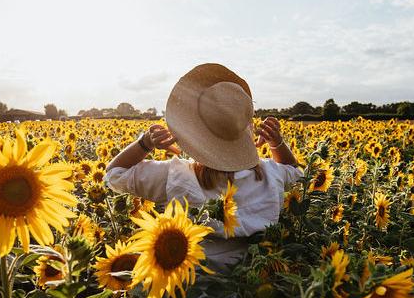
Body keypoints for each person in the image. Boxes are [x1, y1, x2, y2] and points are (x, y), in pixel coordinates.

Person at [105, 63, 303, 273]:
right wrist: (276, 144)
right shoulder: (269, 175)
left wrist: (144, 143)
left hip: (189, 290)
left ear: (195, 130)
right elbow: (296, 172)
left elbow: (113, 175)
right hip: (250, 289)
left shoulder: (175, 177)